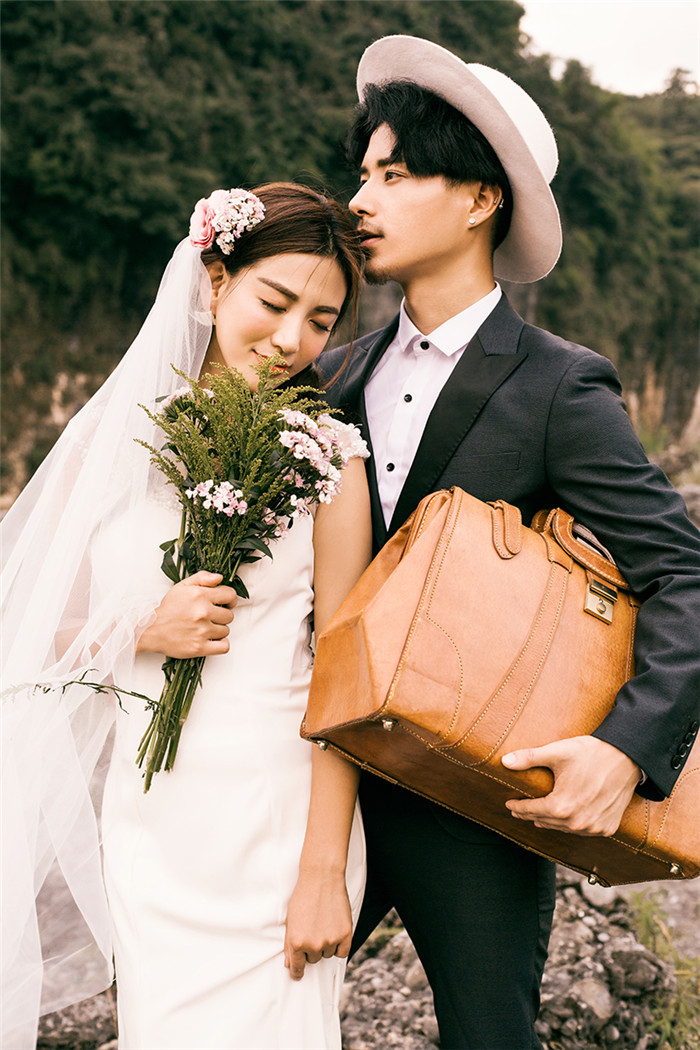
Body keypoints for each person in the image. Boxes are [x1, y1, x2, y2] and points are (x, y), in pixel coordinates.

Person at [317, 36, 700, 1050]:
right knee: (260, 1016)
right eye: (364, 174)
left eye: (395, 175)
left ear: (481, 199)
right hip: (312, 781)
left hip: (473, 794)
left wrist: (626, 748)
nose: (361, 200)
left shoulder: (558, 384)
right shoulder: (329, 378)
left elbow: (681, 572)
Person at [1, 182, 372, 1050]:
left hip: (277, 822)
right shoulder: (112, 438)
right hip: (152, 817)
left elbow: (345, 671)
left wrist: (323, 870)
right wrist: (139, 629)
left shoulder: (331, 462)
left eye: (320, 321)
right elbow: (29, 629)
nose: (291, 339)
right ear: (216, 279)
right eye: (274, 302)